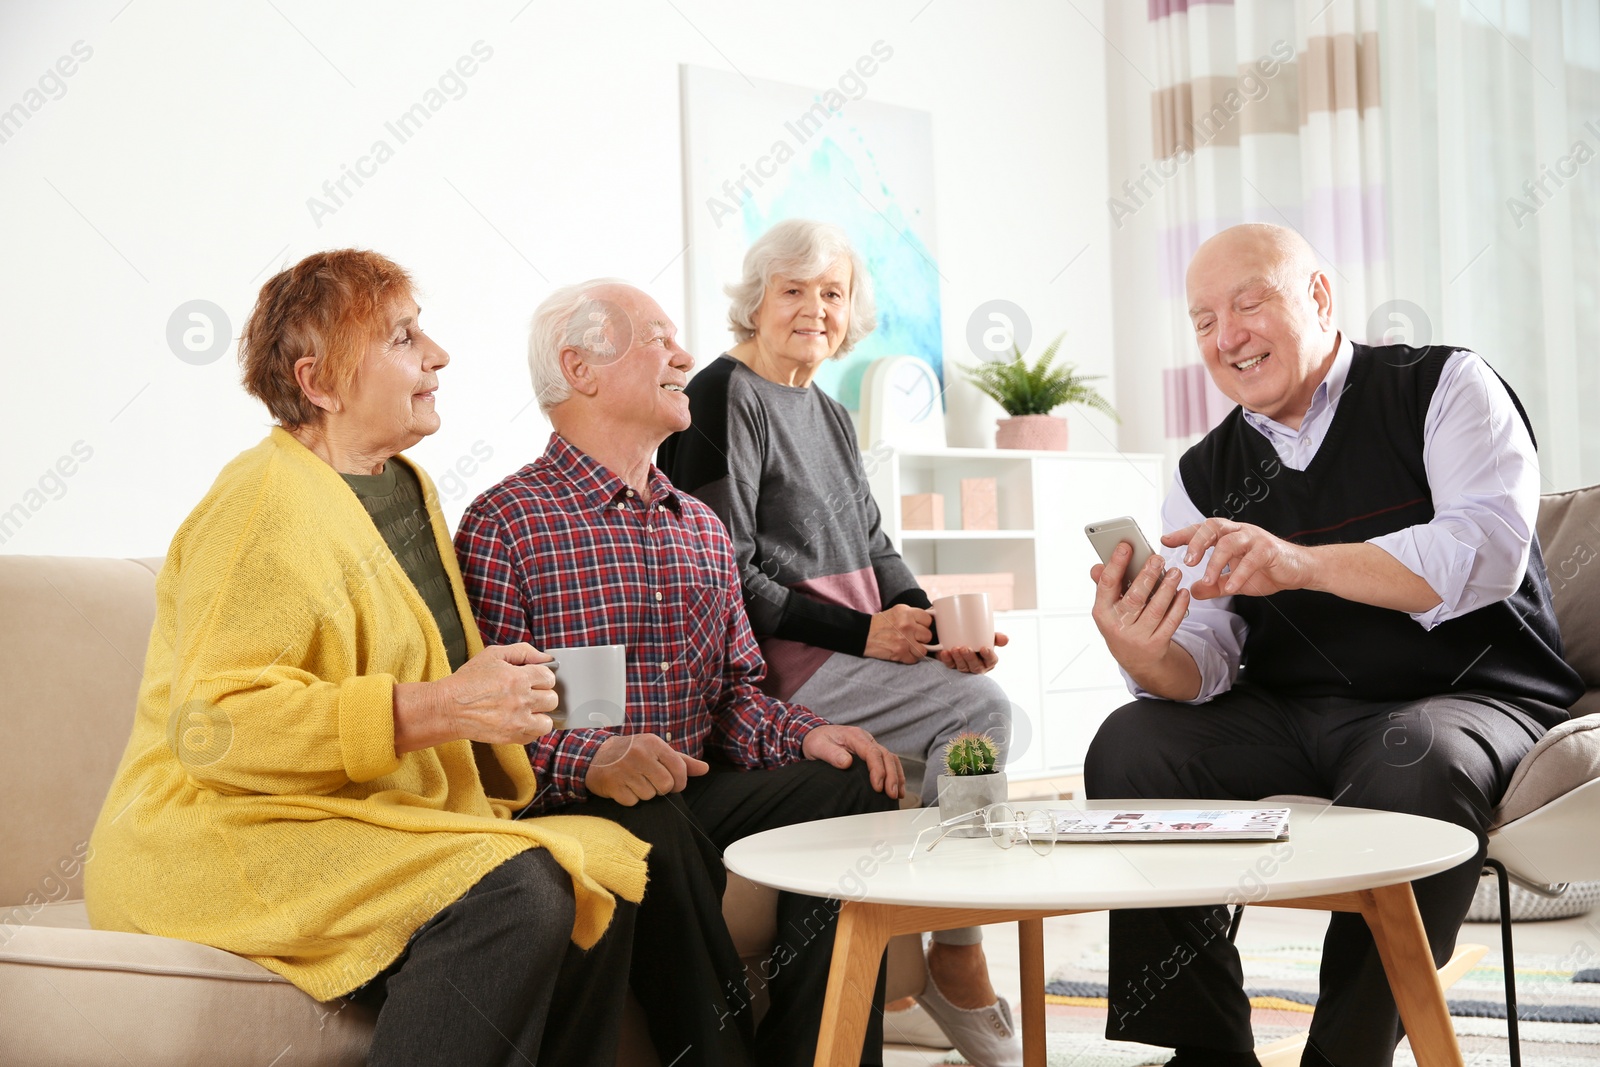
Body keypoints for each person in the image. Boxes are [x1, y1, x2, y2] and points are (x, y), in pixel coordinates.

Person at [85, 250, 648, 1067]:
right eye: (402, 338)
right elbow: (215, 725)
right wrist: (447, 708)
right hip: (216, 834)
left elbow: (434, 666)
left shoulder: (405, 484)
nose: (438, 355)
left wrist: (556, 697)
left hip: (364, 817)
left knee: (604, 870)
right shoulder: (260, 504)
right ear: (318, 382)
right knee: (517, 892)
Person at [1084, 223, 1582, 1067]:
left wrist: (1298, 563)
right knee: (1131, 745)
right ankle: (1206, 1050)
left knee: (1415, 753)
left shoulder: (1443, 386)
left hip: (1472, 696)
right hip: (1294, 712)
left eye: (1248, 303)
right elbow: (1202, 658)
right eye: (1203, 320)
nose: (1226, 336)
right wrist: (1140, 648)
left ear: (1318, 297)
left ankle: (1346, 1055)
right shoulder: (1202, 472)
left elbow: (1486, 550)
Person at [454, 278, 904, 1067]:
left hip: (694, 785)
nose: (687, 356)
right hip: (584, 804)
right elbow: (493, 735)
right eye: (658, 338)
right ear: (581, 368)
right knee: (652, 823)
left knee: (852, 783)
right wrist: (593, 760)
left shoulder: (697, 524)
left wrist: (814, 732)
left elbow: (735, 698)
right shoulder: (504, 523)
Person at [658, 218, 1022, 1066]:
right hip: (783, 665)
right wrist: (867, 629)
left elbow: (874, 540)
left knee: (981, 718)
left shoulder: (825, 407)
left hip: (855, 650)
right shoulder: (723, 395)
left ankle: (926, 950)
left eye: (832, 292)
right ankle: (953, 954)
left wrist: (931, 626)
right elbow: (730, 573)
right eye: (793, 290)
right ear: (756, 301)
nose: (815, 309)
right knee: (985, 715)